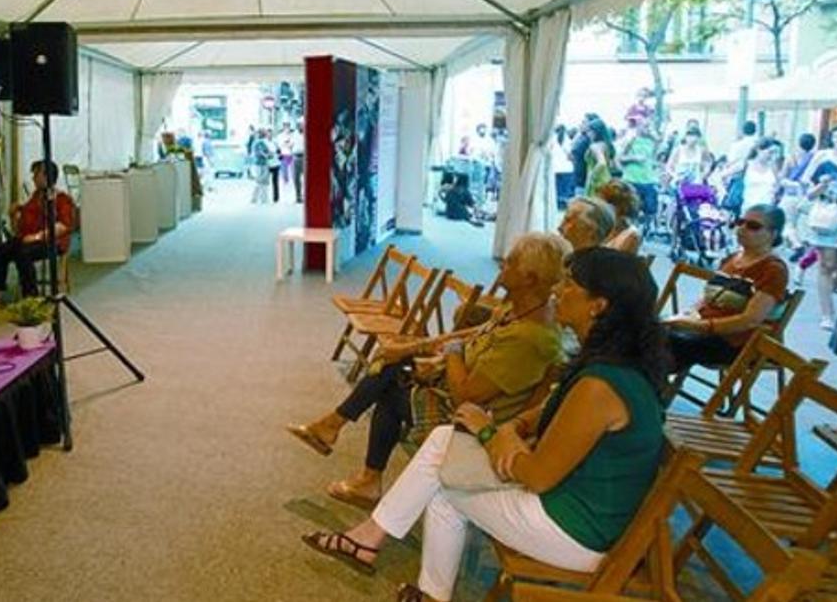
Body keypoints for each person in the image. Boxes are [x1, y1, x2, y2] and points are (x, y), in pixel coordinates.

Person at [301, 249, 668, 602]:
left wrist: (490, 432)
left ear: (598, 306)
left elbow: (538, 477)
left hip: (574, 532)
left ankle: (375, 545)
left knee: (444, 489)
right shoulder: (616, 366)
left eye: (569, 283)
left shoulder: (600, 385)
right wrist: (512, 429)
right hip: (576, 507)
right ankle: (379, 548)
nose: (557, 289)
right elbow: (547, 409)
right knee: (445, 448)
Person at [286, 233, 569, 508]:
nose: (502, 265)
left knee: (389, 384)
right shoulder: (516, 309)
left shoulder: (530, 338)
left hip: (472, 420)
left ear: (530, 279)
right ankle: (342, 442)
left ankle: (347, 448)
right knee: (392, 365)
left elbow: (466, 398)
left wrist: (450, 352)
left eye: (510, 262)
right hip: (449, 386)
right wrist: (418, 346)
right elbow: (471, 334)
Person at [663, 204, 789, 374]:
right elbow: (709, 299)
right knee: (647, 328)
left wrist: (702, 326)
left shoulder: (773, 269)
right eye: (740, 222)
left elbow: (750, 320)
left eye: (753, 226)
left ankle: (649, 387)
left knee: (667, 341)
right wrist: (690, 314)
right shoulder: (732, 258)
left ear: (773, 235)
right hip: (705, 328)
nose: (742, 228)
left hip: (735, 342)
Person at [0, 160, 75, 298]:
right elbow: (22, 222)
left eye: (36, 174)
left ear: (46, 176)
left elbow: (63, 226)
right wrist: (15, 213)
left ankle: (31, 296)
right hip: (28, 239)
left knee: (22, 253)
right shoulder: (36, 196)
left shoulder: (61, 199)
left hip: (52, 242)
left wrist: (37, 236)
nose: (33, 178)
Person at [803, 124, 837, 330]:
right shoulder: (826, 165)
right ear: (834, 143)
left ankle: (834, 297)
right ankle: (827, 314)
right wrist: (821, 185)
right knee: (826, 265)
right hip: (827, 222)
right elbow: (810, 194)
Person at [615, 120, 658, 230]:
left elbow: (655, 157)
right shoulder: (631, 140)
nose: (647, 129)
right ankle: (630, 231)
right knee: (631, 209)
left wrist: (656, 138)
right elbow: (620, 158)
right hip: (632, 178)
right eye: (645, 126)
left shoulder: (652, 141)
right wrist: (634, 158)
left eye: (649, 126)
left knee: (651, 208)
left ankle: (644, 229)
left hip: (648, 179)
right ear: (638, 127)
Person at [596, 180, 642, 254]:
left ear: (618, 207)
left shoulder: (631, 236)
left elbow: (620, 263)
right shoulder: (601, 226)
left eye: (601, 203)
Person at [740, 138, 782, 209]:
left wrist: (774, 193)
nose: (772, 156)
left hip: (767, 209)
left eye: (774, 153)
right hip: (749, 208)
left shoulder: (773, 167)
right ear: (759, 150)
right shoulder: (746, 164)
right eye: (770, 152)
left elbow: (778, 183)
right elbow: (722, 175)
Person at [583, 119, 616, 197]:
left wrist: (592, 176)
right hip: (607, 178)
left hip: (596, 180)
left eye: (589, 131)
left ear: (595, 132)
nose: (588, 134)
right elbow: (612, 164)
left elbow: (602, 163)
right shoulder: (606, 145)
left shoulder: (595, 146)